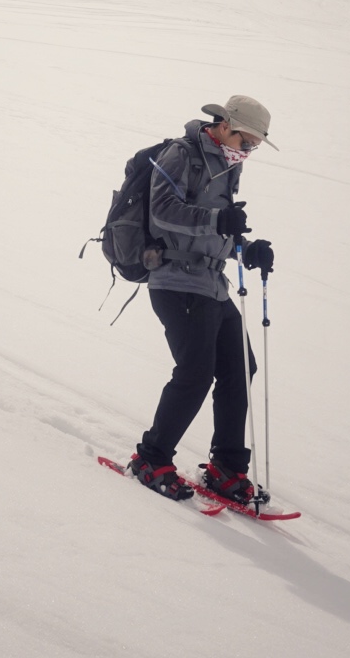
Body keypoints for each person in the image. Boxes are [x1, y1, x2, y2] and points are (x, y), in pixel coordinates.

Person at [129, 95, 277, 504]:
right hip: (175, 280)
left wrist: (245, 250)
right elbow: (162, 212)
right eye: (246, 142)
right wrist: (218, 220)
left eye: (254, 147)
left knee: (239, 369)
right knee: (196, 371)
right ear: (225, 124)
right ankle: (151, 457)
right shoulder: (182, 154)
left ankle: (227, 467)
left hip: (211, 282)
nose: (247, 152)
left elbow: (216, 231)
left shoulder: (229, 167)